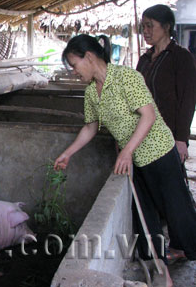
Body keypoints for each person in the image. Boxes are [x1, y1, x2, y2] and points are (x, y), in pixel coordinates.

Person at [54, 34, 196, 287]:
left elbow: (148, 116)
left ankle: (189, 249)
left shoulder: (126, 77)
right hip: (133, 158)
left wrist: (127, 151)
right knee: (144, 214)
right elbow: (90, 127)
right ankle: (158, 265)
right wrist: (68, 152)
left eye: (74, 65)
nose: (74, 72)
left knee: (175, 208)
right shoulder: (90, 93)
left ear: (89, 57)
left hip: (158, 151)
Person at [137, 4, 196, 262]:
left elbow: (187, 99)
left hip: (169, 136)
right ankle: (157, 248)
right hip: (144, 136)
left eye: (151, 25)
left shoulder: (180, 57)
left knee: (174, 193)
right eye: (143, 26)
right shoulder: (145, 59)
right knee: (152, 192)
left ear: (167, 27)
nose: (145, 31)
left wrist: (181, 138)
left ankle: (185, 245)